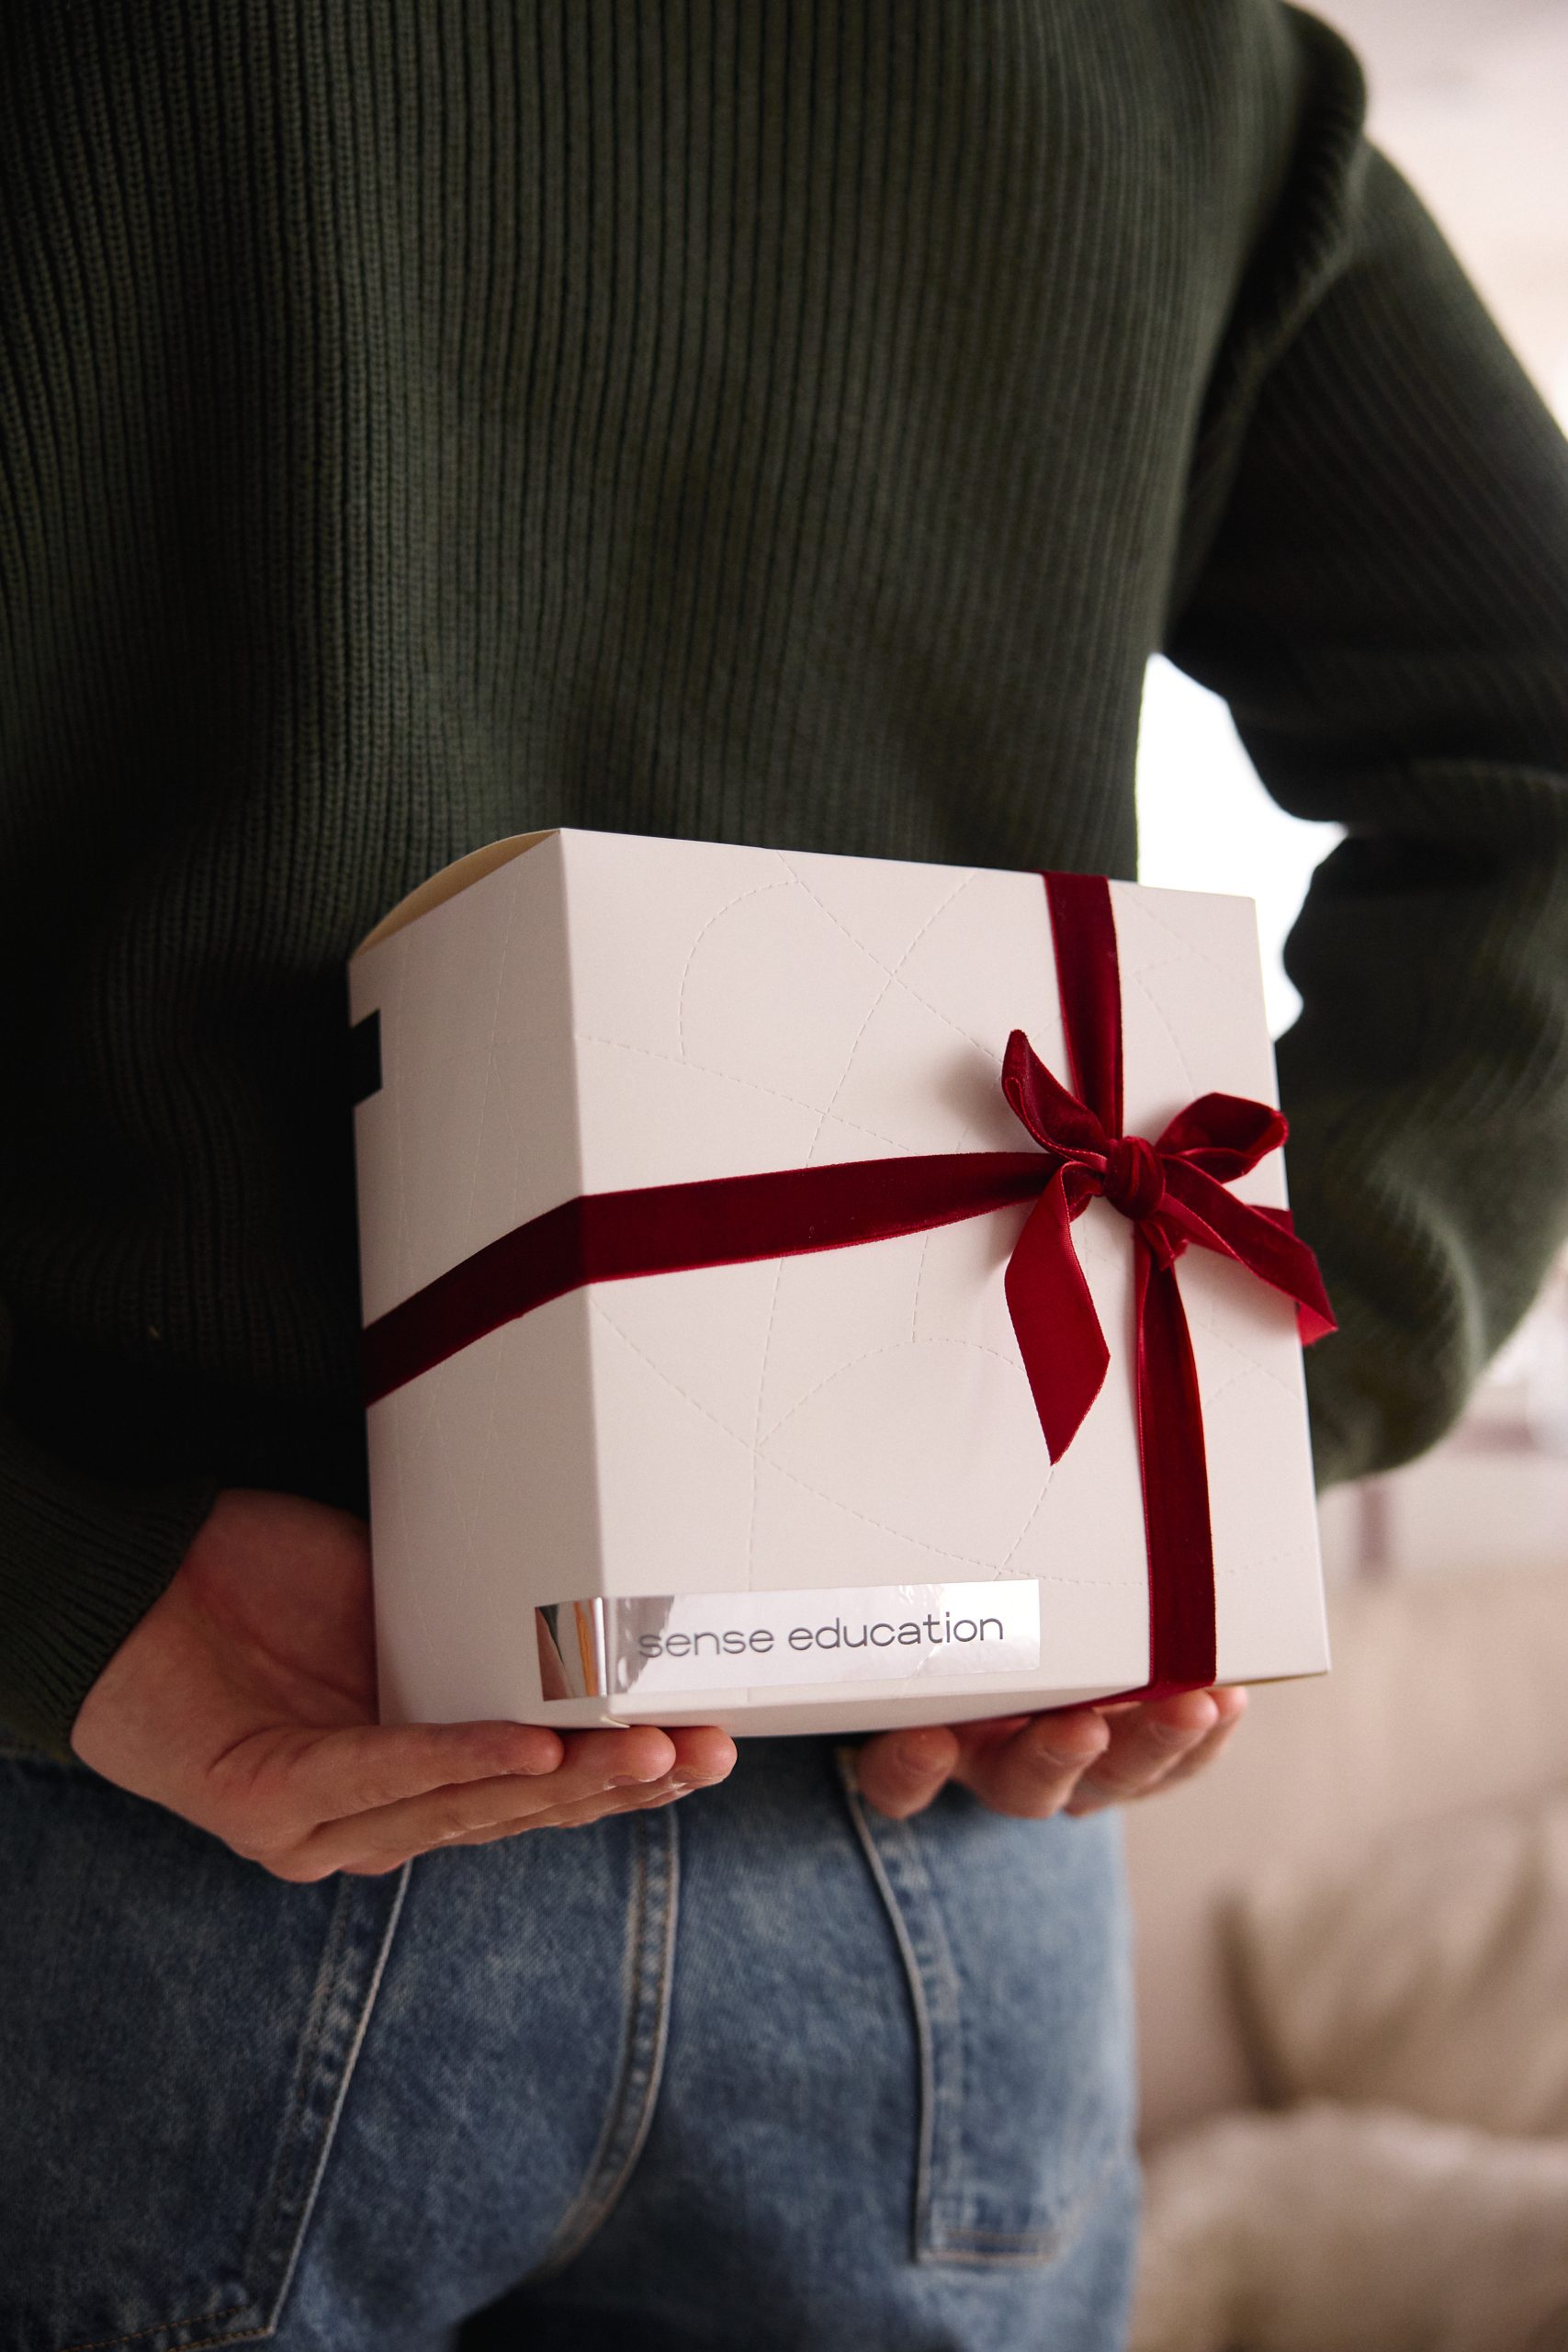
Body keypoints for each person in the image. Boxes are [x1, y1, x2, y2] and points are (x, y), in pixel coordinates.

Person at [3, 4, 1566, 2346]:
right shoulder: (1163, 54)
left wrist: (50, 1572)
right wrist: (1205, 1449)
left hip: (160, 1773)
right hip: (931, 1857)